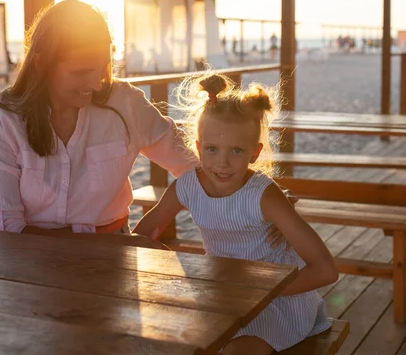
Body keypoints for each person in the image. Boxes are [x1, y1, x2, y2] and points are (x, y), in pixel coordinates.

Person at [0, 0, 293, 248]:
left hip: (114, 251)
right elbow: (5, 226)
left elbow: (195, 165)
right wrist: (106, 248)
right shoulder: (3, 117)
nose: (97, 82)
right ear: (42, 63)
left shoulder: (124, 102)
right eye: (81, 72)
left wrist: (262, 204)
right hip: (29, 259)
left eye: (102, 68)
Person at [132, 72, 337, 354]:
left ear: (255, 153)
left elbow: (326, 270)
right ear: (198, 147)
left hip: (276, 301)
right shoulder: (187, 186)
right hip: (221, 294)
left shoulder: (264, 195)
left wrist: (259, 293)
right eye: (212, 149)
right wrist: (179, 275)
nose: (223, 162)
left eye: (236, 151)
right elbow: (142, 236)